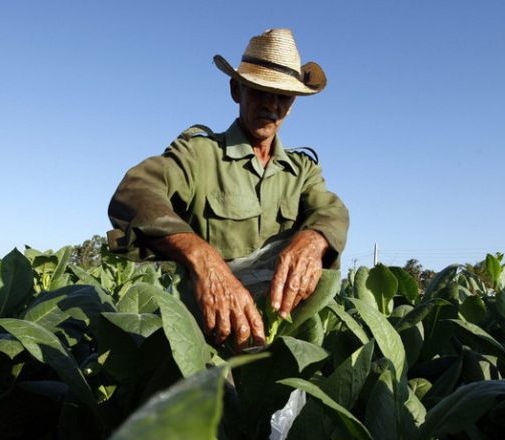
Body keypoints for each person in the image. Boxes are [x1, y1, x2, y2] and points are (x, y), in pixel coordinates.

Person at [107, 28, 349, 352]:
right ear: (237, 89)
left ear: (292, 105)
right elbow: (136, 190)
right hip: (203, 343)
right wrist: (202, 257)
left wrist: (315, 239)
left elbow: (331, 210)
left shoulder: (301, 171)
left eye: (282, 96)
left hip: (274, 350)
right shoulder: (200, 156)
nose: (271, 105)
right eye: (260, 90)